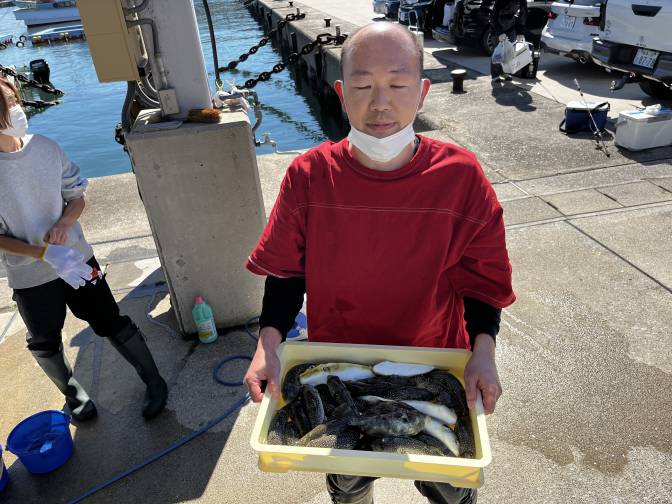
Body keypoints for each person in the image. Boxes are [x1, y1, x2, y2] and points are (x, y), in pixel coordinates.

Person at [243, 22, 515, 504]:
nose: (380, 103)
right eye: (364, 86)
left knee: (449, 482)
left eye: (397, 83)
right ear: (341, 93)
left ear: (423, 92)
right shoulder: (309, 175)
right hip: (339, 363)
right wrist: (267, 345)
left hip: (434, 361)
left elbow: (482, 280)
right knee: (348, 479)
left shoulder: (461, 176)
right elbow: (286, 272)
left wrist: (484, 350)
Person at [0, 76, 168, 422]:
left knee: (110, 319)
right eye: (8, 106)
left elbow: (76, 197)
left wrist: (64, 224)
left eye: (16, 101)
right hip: (30, 276)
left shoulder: (45, 148)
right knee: (44, 339)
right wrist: (42, 253)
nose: (18, 109)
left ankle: (154, 379)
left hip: (76, 259)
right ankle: (73, 393)